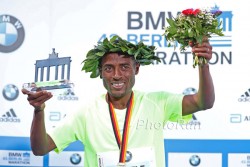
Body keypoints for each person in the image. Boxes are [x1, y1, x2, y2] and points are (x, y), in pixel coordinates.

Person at [22, 35, 214, 167]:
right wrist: (39, 110)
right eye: (108, 68)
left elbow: (203, 102)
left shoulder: (158, 102)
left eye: (124, 67)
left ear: (136, 69)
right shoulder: (86, 113)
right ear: (100, 73)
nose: (116, 75)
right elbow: (40, 148)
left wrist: (203, 64)